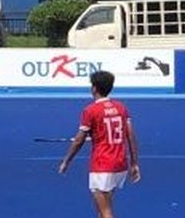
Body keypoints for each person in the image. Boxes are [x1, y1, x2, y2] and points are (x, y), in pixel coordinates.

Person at [58, 70, 141, 218]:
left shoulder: (90, 110)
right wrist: (134, 163)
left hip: (102, 164)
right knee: (102, 209)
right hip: (120, 163)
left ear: (94, 88)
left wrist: (66, 161)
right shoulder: (121, 107)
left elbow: (79, 140)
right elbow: (130, 135)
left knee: (106, 212)